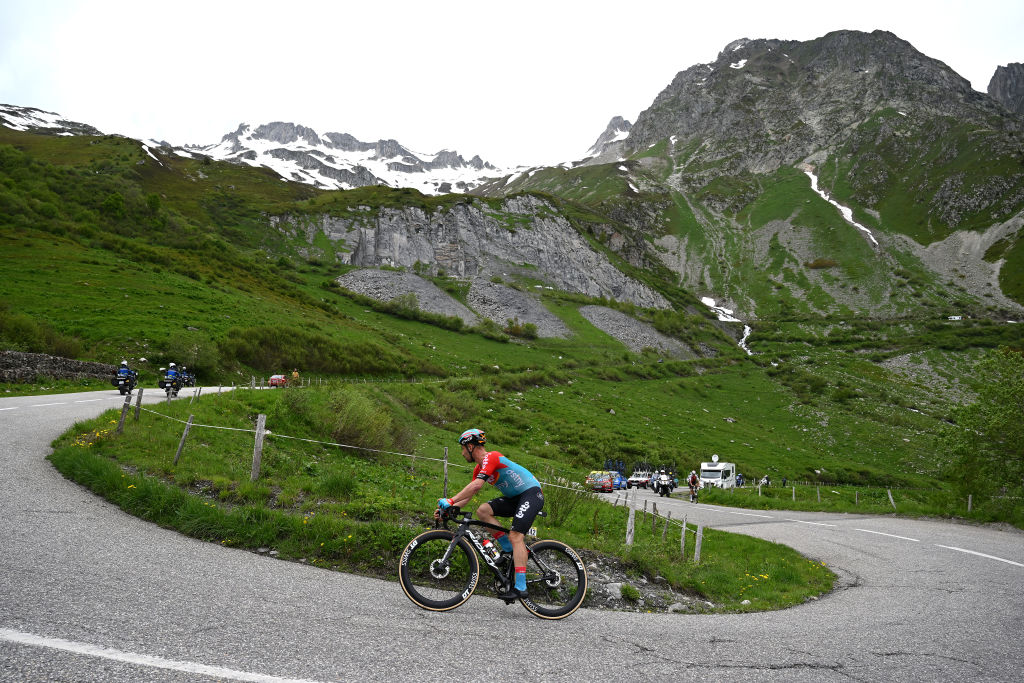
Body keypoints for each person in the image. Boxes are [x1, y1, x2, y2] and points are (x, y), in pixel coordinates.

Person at [437, 428, 543, 600]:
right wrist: (448, 509)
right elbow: (469, 495)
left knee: (516, 536)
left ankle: (521, 587)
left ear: (470, 446)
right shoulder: (479, 469)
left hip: (531, 494)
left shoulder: (491, 457)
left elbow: (477, 486)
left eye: (463, 448)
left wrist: (450, 500)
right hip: (515, 499)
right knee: (483, 511)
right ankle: (507, 548)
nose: (462, 453)